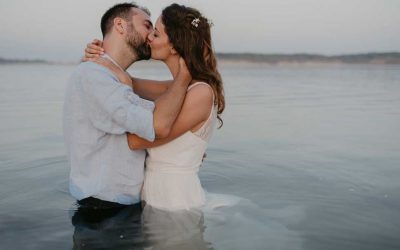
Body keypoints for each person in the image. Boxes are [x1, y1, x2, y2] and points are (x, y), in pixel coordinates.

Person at [84, 3, 225, 210]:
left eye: (156, 34)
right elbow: (121, 79)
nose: (149, 37)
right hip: (156, 196)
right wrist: (95, 55)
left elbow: (136, 141)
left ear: (175, 46)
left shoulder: (200, 93)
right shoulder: (176, 88)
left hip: (175, 201)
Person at [63, 2, 192, 210]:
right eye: (147, 26)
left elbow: (164, 98)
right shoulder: (94, 75)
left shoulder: (114, 77)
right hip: (103, 209)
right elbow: (156, 125)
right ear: (121, 26)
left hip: (120, 205)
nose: (151, 36)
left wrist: (184, 146)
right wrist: (185, 77)